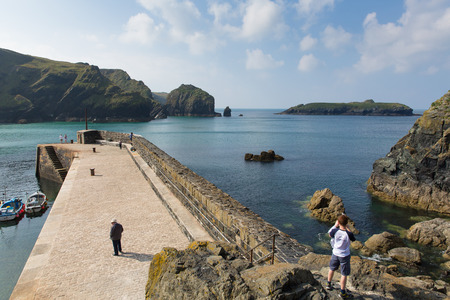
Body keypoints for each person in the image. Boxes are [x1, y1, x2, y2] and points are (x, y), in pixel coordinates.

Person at [327, 214, 355, 298]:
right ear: (346, 223)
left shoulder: (335, 231)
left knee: (332, 268)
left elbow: (330, 234)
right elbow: (353, 238)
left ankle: (328, 284)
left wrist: (335, 225)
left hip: (335, 253)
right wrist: (348, 228)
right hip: (345, 255)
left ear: (338, 222)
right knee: (344, 274)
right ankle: (342, 292)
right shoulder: (348, 233)